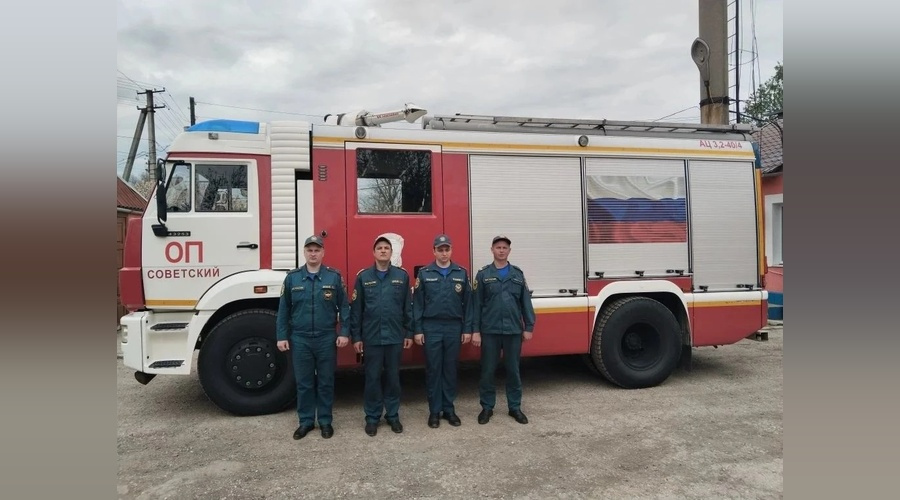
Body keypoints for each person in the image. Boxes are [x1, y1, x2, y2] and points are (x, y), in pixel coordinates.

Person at [276, 235, 350, 440]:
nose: (313, 253)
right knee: (304, 382)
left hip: (326, 337)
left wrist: (344, 332)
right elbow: (284, 310)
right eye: (309, 250)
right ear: (304, 252)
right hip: (300, 338)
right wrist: (282, 336)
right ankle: (306, 421)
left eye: (317, 250)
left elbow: (344, 307)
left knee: (326, 381)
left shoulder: (333, 277)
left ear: (323, 253)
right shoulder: (292, 278)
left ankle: (325, 421)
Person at [349, 236, 414, 436]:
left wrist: (409, 332)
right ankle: (372, 417)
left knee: (393, 378)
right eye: (380, 248)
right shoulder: (363, 277)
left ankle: (393, 416)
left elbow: (407, 308)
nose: (383, 251)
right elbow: (356, 310)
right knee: (372, 379)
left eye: (387, 248)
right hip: (372, 338)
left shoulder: (402, 277)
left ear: (391, 253)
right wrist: (356, 337)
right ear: (374, 253)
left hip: (394, 337)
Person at [471, 235, 536, 425]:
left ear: (509, 251)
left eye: (504, 247)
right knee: (487, 371)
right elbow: (476, 305)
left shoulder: (517, 275)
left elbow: (525, 302)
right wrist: (475, 330)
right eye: (498, 247)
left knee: (513, 370)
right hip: (489, 331)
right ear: (492, 250)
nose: (501, 250)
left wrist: (529, 326)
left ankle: (514, 407)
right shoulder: (483, 275)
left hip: (513, 331)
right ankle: (487, 407)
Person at [412, 234, 473, 428]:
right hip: (432, 327)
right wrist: (418, 330)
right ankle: (434, 412)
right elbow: (418, 305)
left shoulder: (461, 273)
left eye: (447, 249)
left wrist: (467, 329)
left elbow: (468, 305)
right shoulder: (425, 273)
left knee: (450, 369)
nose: (444, 253)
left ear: (451, 251)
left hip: (454, 327)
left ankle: (449, 409)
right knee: (433, 370)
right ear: (434, 251)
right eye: (440, 249)